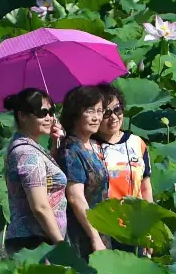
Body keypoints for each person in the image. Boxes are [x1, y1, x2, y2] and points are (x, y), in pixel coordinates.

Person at [59, 82, 153, 255]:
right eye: (105, 112)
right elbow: (75, 195)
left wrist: (150, 227)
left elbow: (146, 189)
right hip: (105, 227)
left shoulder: (137, 144)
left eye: (117, 110)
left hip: (135, 226)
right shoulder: (87, 146)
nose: (113, 117)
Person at [1, 88, 67, 253]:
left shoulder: (30, 148)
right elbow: (40, 206)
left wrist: (54, 145)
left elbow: (46, 176)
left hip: (39, 240)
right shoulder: (26, 153)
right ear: (22, 116)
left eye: (51, 112)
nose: (49, 118)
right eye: (41, 113)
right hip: (34, 243)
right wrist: (61, 246)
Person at [54, 85, 111, 256]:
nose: (96, 117)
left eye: (100, 111)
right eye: (89, 111)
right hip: (83, 235)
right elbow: (75, 197)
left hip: (101, 228)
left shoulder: (89, 146)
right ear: (75, 114)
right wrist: (95, 237)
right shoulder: (71, 150)